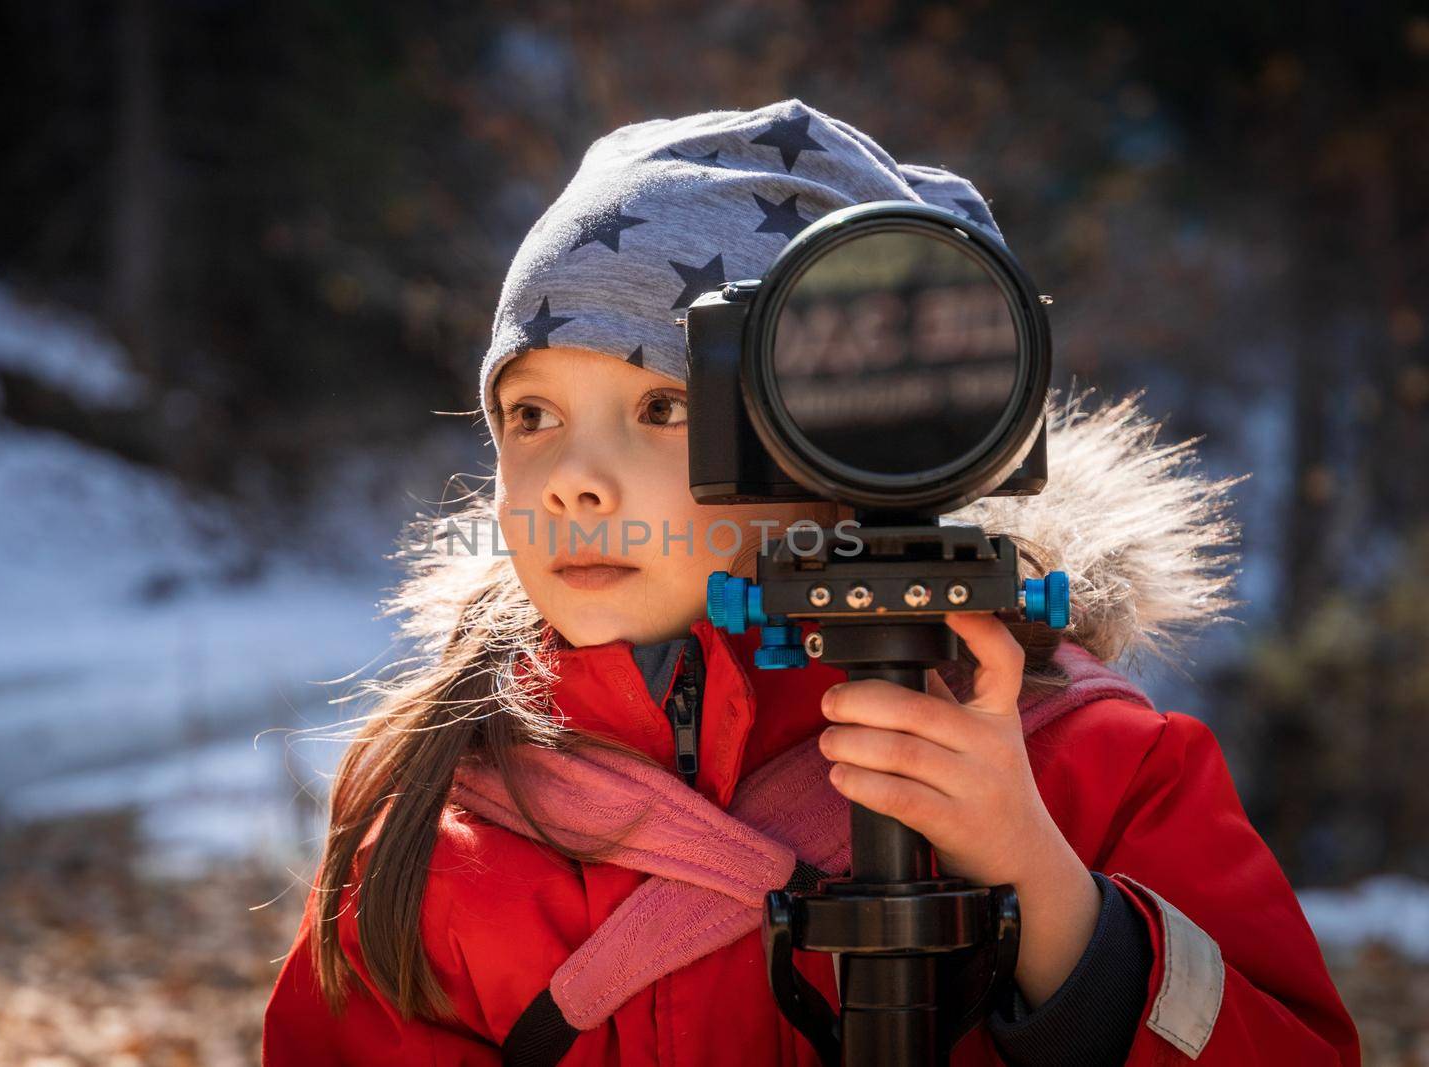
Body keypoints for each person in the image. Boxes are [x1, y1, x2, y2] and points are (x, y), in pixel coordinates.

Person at [261, 99, 1361, 1066]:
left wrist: (1049, 892)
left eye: (664, 407)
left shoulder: (1088, 764)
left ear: (848, 443)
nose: (574, 482)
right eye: (531, 414)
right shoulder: (447, 803)